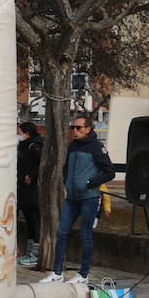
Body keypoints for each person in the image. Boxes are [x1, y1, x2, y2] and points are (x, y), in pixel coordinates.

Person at [39, 113, 114, 285]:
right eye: (73, 127)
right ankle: (57, 273)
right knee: (62, 232)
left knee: (85, 235)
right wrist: (66, 181)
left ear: (88, 129)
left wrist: (90, 183)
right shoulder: (72, 146)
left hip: (89, 198)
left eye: (78, 127)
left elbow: (110, 172)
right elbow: (66, 168)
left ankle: (83, 274)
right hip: (72, 198)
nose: (74, 130)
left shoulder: (97, 147)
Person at [15, 121, 44, 266]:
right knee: (29, 222)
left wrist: (31, 175)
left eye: (19, 132)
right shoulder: (25, 146)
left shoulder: (34, 146)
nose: (17, 135)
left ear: (27, 133)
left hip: (32, 191)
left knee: (34, 221)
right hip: (25, 192)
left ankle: (35, 254)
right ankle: (29, 252)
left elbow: (42, 163)